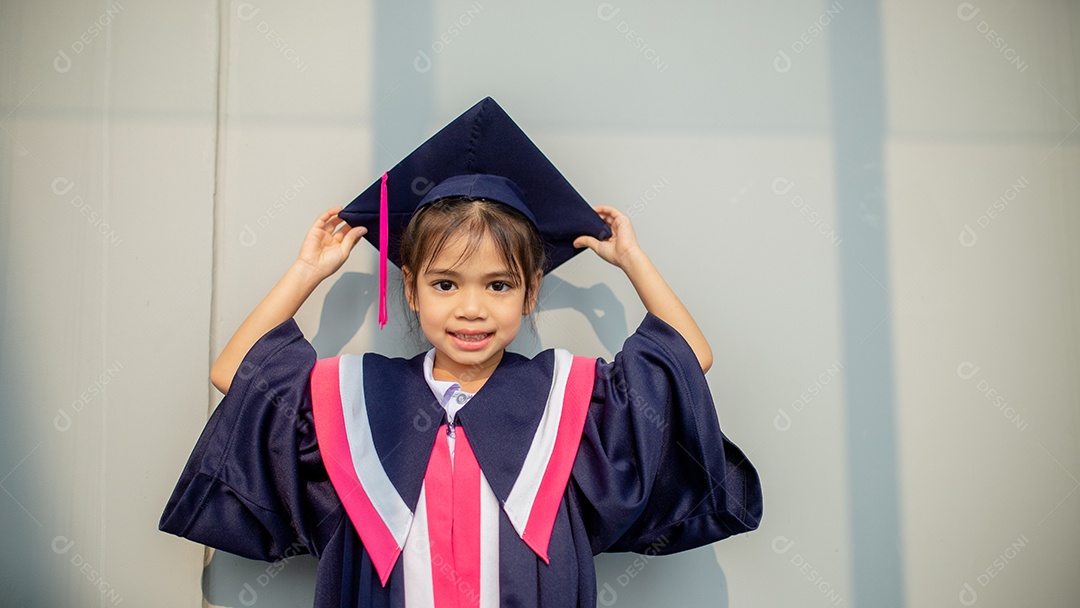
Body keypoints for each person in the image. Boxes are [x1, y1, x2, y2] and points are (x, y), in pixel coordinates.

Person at [160, 97, 762, 607]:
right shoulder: (364, 397)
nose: (471, 307)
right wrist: (305, 272)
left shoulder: (566, 397)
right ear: (411, 292)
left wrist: (635, 260)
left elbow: (687, 359)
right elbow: (233, 374)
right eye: (445, 283)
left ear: (530, 295)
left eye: (498, 285)